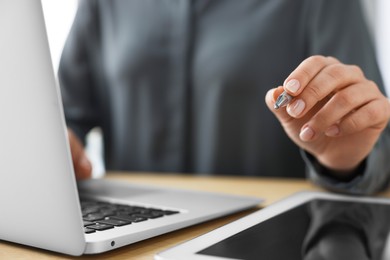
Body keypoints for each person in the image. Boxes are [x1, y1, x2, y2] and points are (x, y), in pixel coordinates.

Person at [59, 0, 390, 194]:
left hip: (266, 244)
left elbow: (377, 140)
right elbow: (65, 115)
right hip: (128, 243)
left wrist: (346, 162)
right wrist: (57, 143)